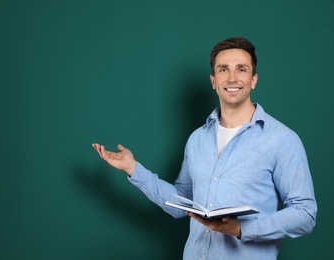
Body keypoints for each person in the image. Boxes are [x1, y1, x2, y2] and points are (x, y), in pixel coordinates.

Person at [92, 37, 317, 259]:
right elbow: (182, 203)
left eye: (241, 69)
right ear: (213, 80)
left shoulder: (283, 140)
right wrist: (133, 168)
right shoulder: (197, 139)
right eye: (223, 70)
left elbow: (305, 214)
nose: (232, 78)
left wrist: (241, 228)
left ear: (253, 79)